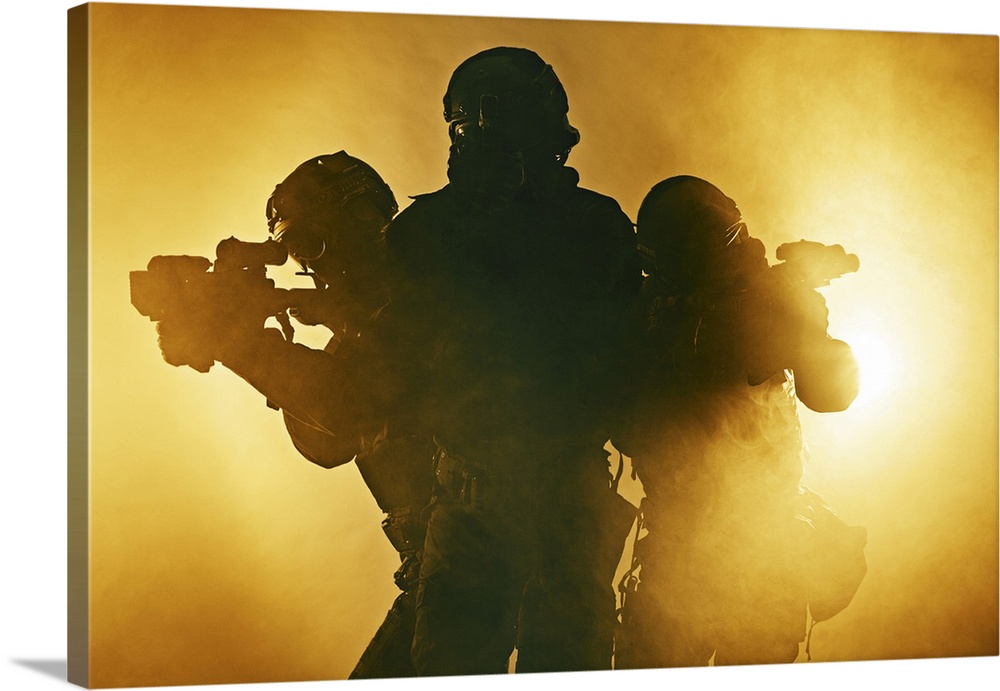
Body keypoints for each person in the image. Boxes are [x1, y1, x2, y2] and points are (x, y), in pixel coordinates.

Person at [377, 47, 642, 676]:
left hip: (552, 507)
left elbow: (596, 349)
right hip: (486, 510)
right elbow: (395, 370)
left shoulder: (591, 227)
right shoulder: (429, 232)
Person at [152, 151, 436, 678]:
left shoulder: (432, 294)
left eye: (311, 245)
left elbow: (349, 406)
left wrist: (239, 344)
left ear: (356, 221)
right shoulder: (367, 327)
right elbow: (324, 442)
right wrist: (237, 339)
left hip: (483, 555)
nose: (311, 266)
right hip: (442, 566)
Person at [613, 176, 868, 668]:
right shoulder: (757, 308)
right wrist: (806, 314)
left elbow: (625, 423)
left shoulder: (646, 310)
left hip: (683, 549)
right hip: (751, 555)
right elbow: (833, 393)